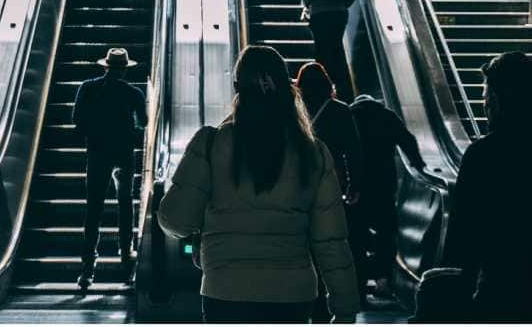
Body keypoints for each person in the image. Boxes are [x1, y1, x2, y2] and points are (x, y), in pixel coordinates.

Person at [157, 45, 360, 323]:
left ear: (236, 87)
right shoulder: (313, 152)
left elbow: (175, 220)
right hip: (293, 296)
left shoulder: (211, 144)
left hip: (225, 291)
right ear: (287, 86)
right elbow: (331, 240)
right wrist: (345, 306)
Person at [442, 51, 532, 322]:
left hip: (500, 289)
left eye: (487, 98)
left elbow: (462, 232)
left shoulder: (484, 154)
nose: (485, 106)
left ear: (501, 100)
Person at [71, 47, 147, 290]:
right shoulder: (133, 93)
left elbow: (77, 122)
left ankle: (87, 271)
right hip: (124, 155)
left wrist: (95, 133)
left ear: (105, 66)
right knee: (125, 206)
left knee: (93, 210)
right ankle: (126, 263)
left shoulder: (87, 88)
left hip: (96, 154)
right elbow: (144, 123)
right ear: (124, 69)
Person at [295, 62, 366, 318]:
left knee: (304, 249)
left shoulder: (294, 111)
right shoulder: (341, 111)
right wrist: (353, 185)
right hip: (331, 187)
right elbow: (354, 151)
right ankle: (330, 305)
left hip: (299, 188)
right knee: (330, 245)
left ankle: (310, 304)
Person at [349, 94, 426, 298]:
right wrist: (418, 164)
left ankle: (359, 284)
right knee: (386, 234)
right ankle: (383, 280)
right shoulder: (386, 115)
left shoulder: (350, 115)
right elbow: (407, 140)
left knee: (356, 237)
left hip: (358, 187)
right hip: (384, 186)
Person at [301, 0, 358, 103]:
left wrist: (309, 4)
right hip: (338, 14)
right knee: (337, 49)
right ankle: (345, 93)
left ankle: (322, 90)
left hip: (319, 14)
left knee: (321, 50)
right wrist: (343, 3)